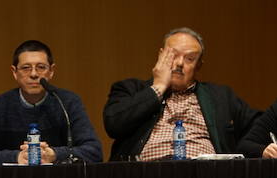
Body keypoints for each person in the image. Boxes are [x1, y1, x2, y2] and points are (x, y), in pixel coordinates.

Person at [103, 27, 259, 161]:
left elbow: (259, 126)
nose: (179, 63)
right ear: (161, 55)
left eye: (189, 59)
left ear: (198, 66)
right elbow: (113, 125)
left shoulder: (220, 97)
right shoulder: (130, 89)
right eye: (173, 55)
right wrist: (158, 87)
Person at [0, 40, 102, 165]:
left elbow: (94, 151)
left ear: (51, 71)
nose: (34, 74)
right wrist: (18, 157)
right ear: (14, 72)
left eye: (41, 67)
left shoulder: (67, 102)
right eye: (26, 68)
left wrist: (54, 154)